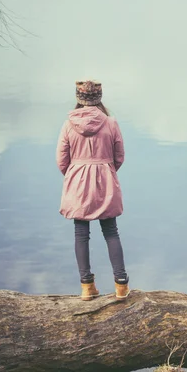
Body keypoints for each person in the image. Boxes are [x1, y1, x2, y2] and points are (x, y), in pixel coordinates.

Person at [55, 80, 130, 301]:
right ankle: (121, 286)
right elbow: (120, 157)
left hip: (77, 180)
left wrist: (75, 175)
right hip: (105, 178)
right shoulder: (111, 123)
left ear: (78, 98)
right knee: (111, 232)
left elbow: (61, 160)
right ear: (99, 98)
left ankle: (87, 287)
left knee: (81, 233)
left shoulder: (68, 124)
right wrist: (106, 170)